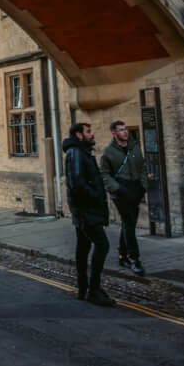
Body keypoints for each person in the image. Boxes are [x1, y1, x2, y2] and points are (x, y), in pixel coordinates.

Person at [64, 122, 115, 307]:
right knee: (102, 245)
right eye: (88, 132)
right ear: (79, 135)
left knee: (83, 248)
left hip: (84, 210)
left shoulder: (80, 152)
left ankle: (83, 288)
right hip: (86, 211)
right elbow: (77, 183)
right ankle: (93, 290)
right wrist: (95, 197)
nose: (91, 134)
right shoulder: (76, 153)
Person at [100, 120, 148, 275]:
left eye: (126, 129)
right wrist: (117, 188)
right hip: (120, 191)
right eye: (121, 130)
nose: (125, 132)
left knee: (129, 224)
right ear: (114, 133)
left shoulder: (134, 146)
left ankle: (122, 254)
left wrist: (143, 186)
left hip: (135, 189)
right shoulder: (108, 152)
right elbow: (104, 175)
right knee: (128, 222)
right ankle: (135, 259)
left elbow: (142, 166)